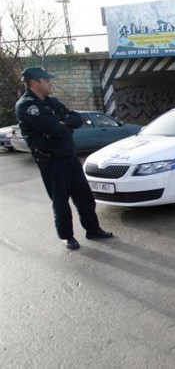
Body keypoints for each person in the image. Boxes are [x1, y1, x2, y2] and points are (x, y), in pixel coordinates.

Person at [15, 66, 114, 250]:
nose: (49, 83)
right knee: (61, 201)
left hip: (69, 156)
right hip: (51, 160)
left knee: (84, 196)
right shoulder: (27, 106)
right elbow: (54, 128)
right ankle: (67, 236)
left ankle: (93, 229)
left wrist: (63, 124)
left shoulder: (51, 102)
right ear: (34, 82)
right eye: (46, 80)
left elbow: (76, 118)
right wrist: (63, 125)